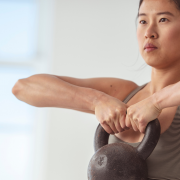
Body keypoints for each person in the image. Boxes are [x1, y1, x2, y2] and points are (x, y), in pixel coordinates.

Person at [12, 0, 180, 179]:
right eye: (143, 21)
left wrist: (156, 101)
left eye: (163, 20)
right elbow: (23, 87)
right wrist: (95, 100)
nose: (149, 33)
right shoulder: (124, 92)